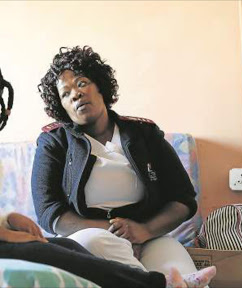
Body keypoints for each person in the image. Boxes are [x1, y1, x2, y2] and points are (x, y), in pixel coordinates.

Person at [0, 56, 215, 288]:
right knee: (54, 249)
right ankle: (160, 284)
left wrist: (9, 219)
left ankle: (169, 279)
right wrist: (7, 235)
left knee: (63, 249)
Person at [33, 46, 211, 279]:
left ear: (99, 86)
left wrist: (144, 231)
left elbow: (183, 199)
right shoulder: (53, 142)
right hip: (88, 236)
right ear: (62, 107)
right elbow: (49, 212)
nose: (75, 94)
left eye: (82, 83)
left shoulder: (144, 133)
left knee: (177, 269)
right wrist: (115, 232)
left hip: (149, 235)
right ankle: (156, 284)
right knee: (98, 242)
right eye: (65, 94)